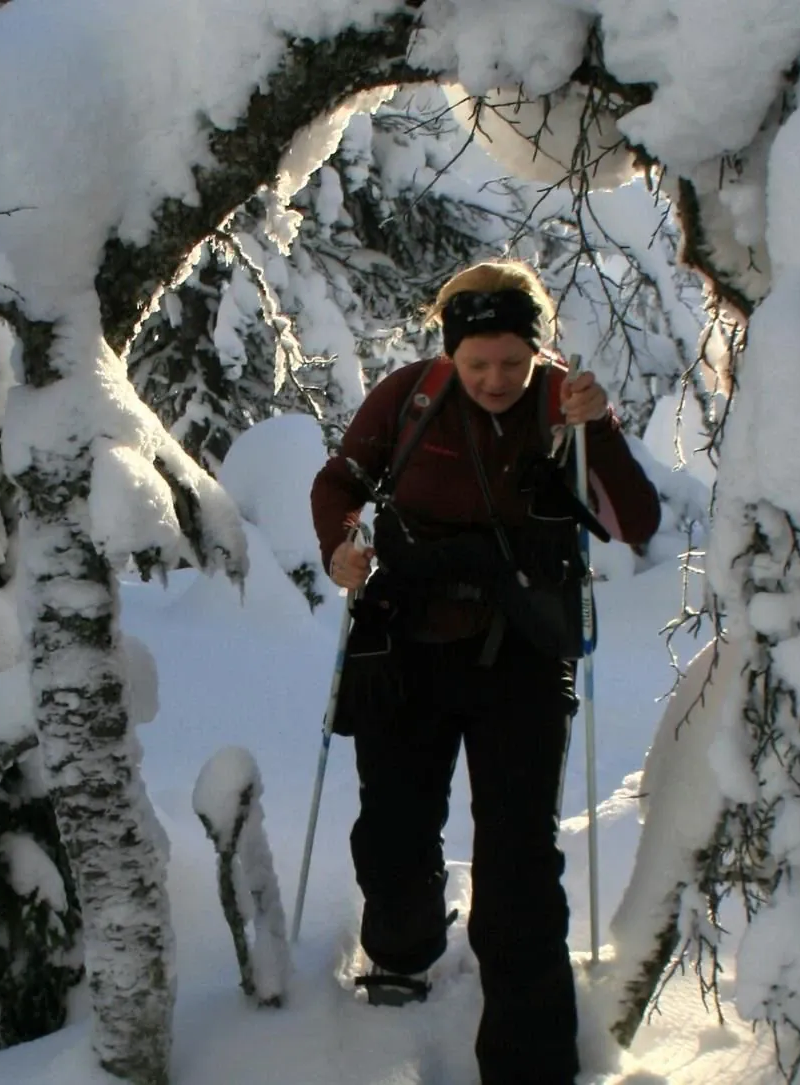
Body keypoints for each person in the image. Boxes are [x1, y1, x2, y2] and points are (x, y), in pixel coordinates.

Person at [308, 259, 661, 1085]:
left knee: (518, 865)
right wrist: (341, 548)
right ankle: (403, 948)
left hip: (525, 655)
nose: (496, 379)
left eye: (513, 361)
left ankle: (529, 1063)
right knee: (393, 830)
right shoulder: (410, 397)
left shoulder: (566, 405)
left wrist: (598, 429)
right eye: (478, 363)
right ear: (451, 352)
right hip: (405, 641)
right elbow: (340, 483)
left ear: (539, 350)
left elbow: (634, 520)